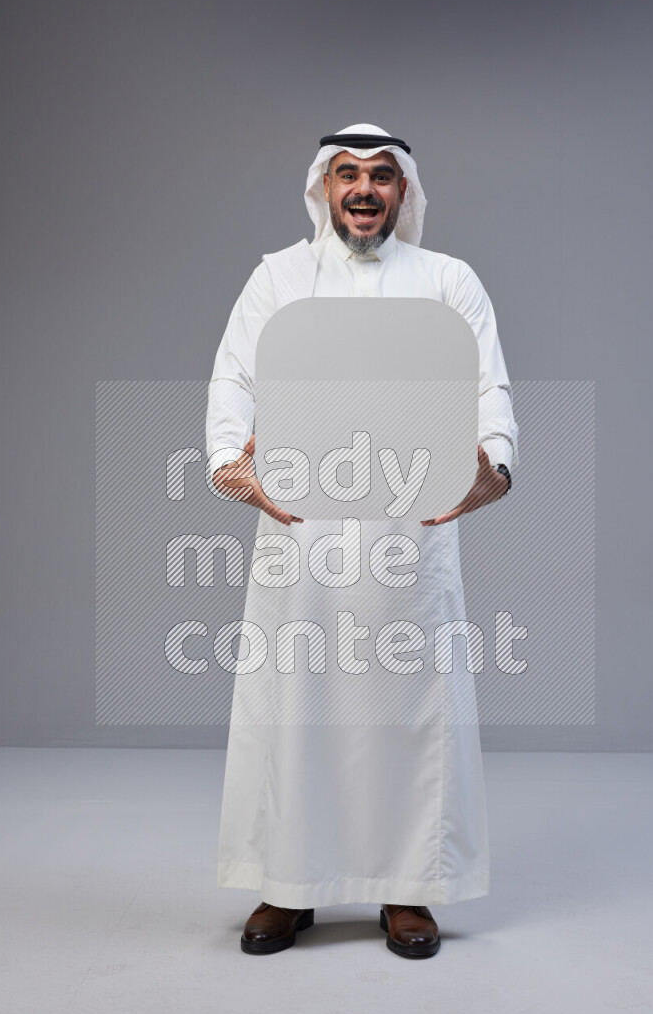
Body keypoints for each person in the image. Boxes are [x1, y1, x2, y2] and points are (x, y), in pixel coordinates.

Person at [205, 123, 518, 958]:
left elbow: (488, 383)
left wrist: (496, 462)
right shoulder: (277, 277)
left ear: (405, 190)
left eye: (382, 175)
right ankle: (289, 884)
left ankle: (408, 890)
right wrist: (232, 466)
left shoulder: (448, 281)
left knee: (408, 711)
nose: (365, 188)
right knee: (295, 708)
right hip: (302, 534)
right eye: (348, 173)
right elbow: (233, 377)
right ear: (324, 186)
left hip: (408, 533)